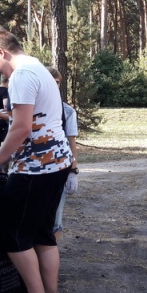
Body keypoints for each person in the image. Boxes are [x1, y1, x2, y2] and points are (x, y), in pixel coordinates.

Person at [0, 27, 73, 293]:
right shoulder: (40, 69)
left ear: (1, 52)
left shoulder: (20, 75)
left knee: (12, 233)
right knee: (43, 234)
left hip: (35, 168)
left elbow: (20, 129)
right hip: (58, 164)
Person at [47, 67, 79, 242]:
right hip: (36, 170)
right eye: (50, 81)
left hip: (60, 168)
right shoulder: (29, 109)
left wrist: (73, 171)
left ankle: (52, 252)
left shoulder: (67, 111)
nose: (54, 85)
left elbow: (71, 141)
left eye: (57, 82)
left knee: (56, 218)